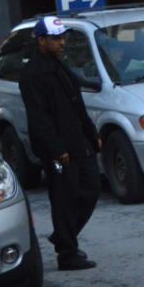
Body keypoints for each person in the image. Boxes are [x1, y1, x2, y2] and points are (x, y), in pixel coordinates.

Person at [19, 16, 101, 271]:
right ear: (41, 40)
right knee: (65, 199)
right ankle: (67, 253)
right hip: (60, 149)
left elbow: (77, 105)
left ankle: (63, 236)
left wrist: (91, 133)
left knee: (91, 189)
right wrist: (57, 150)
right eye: (55, 38)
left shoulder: (59, 66)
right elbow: (39, 117)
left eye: (63, 37)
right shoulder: (33, 73)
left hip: (79, 142)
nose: (61, 42)